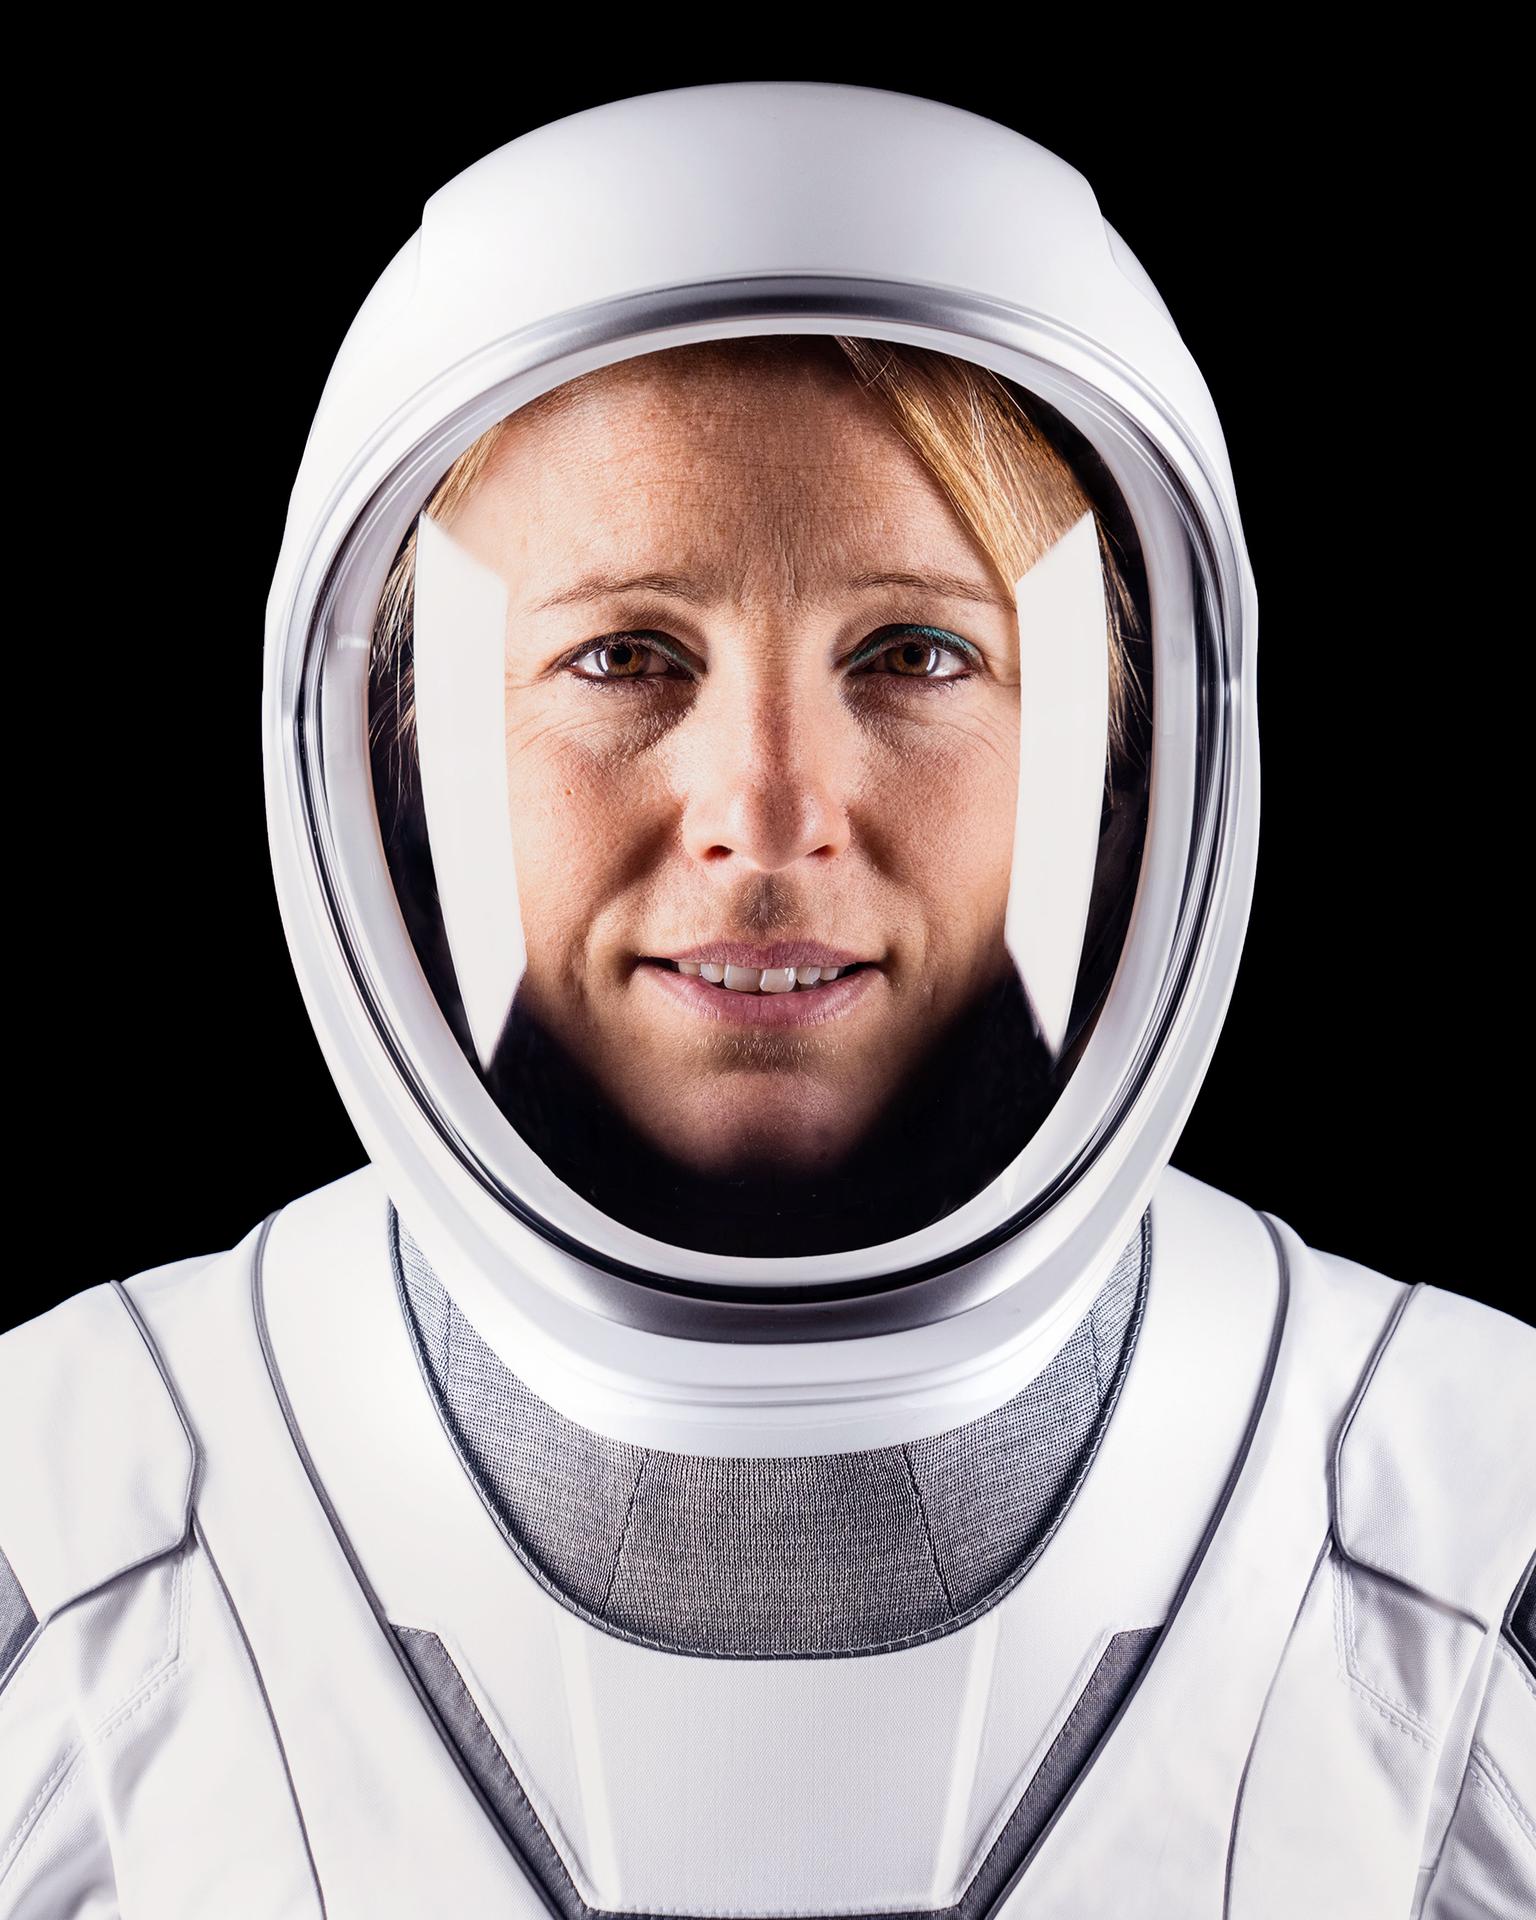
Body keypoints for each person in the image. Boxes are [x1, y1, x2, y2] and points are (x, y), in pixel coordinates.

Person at [1, 80, 1530, 1920]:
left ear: (1133, 756)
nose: (771, 811)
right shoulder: (69, 1536)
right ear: (388, 759)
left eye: (917, 649)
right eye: (624, 655)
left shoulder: (1467, 1533)